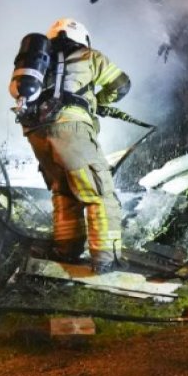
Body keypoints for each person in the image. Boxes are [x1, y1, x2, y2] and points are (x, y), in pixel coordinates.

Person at [12, 18, 131, 273]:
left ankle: (66, 252)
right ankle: (107, 261)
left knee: (64, 193)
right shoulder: (89, 56)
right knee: (99, 194)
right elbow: (122, 85)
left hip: (37, 133)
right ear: (82, 39)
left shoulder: (40, 64)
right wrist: (98, 100)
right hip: (71, 130)